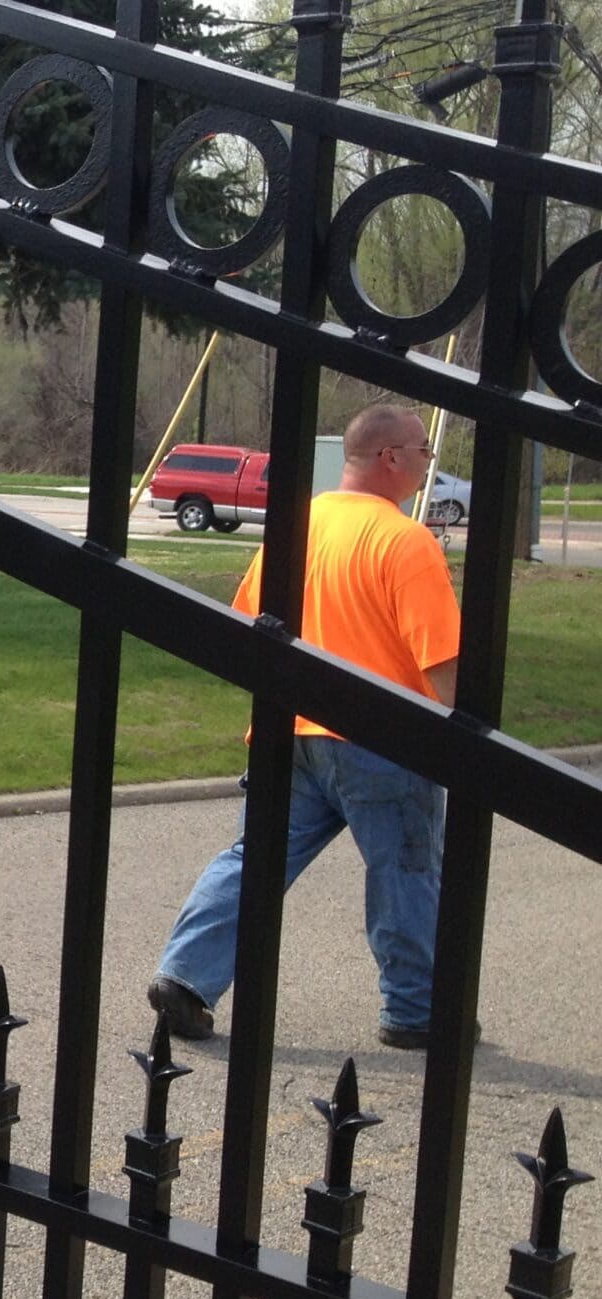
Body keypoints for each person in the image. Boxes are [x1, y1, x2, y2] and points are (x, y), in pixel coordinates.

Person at [148, 403, 461, 1051]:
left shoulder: (297, 526)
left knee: (252, 861)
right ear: (391, 458)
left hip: (287, 730)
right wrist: (461, 744)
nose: (430, 462)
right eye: (424, 450)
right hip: (383, 739)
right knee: (403, 870)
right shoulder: (406, 541)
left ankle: (185, 977)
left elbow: (248, 625)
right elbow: (441, 665)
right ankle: (415, 1012)